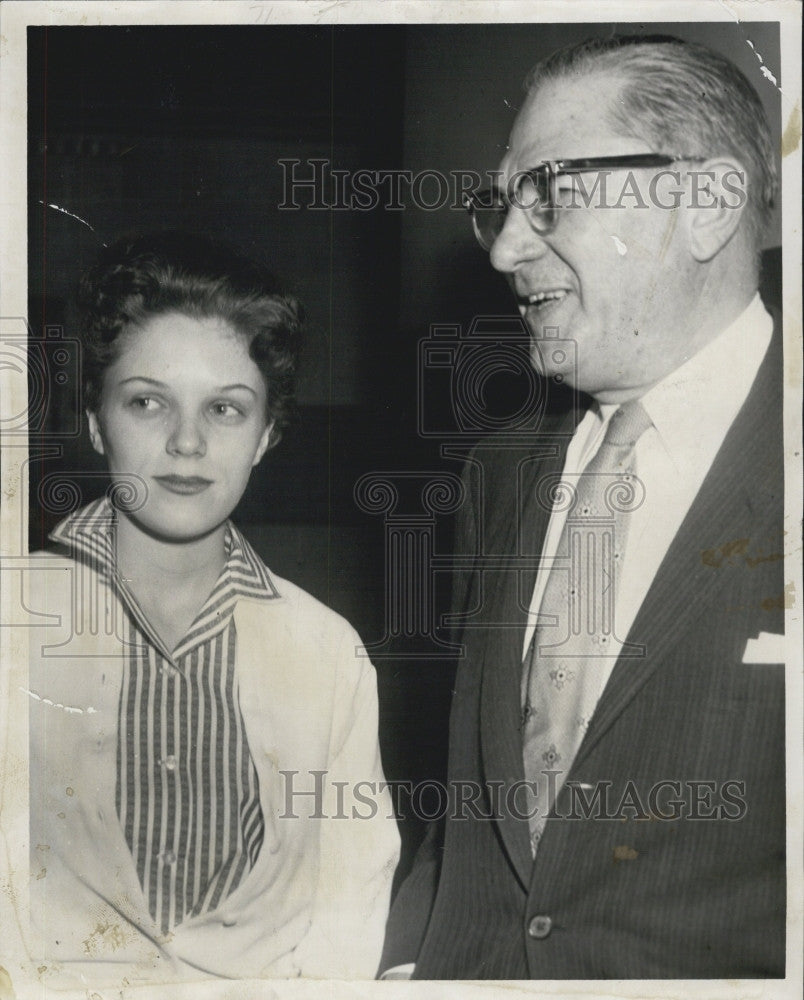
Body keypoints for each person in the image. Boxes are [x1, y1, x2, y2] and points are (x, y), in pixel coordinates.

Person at [380, 34, 785, 979]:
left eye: (552, 193)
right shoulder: (497, 472)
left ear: (708, 205)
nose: (508, 248)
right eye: (504, 205)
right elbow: (474, 807)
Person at [27, 232, 399, 986]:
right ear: (96, 421)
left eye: (226, 410)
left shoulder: (327, 654)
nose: (187, 442)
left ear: (267, 434)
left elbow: (348, 911)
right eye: (146, 402)